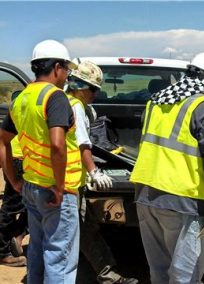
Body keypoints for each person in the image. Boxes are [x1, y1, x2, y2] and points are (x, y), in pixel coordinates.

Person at [130, 52, 204, 283]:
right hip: (181, 199)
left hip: (145, 195)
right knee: (186, 275)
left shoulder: (155, 102)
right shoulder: (203, 107)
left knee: (159, 270)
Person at [0, 39, 82, 283]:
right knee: (60, 257)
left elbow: (3, 141)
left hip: (31, 186)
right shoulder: (55, 97)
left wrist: (13, 180)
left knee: (37, 249)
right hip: (56, 190)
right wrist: (58, 186)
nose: (67, 75)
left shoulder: (22, 98)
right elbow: (57, 144)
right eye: (66, 69)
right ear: (57, 67)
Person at [66, 60, 138, 284]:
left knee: (83, 227)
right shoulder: (75, 106)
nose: (96, 94)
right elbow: (82, 144)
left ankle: (106, 275)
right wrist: (94, 171)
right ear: (80, 86)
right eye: (94, 89)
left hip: (59, 179)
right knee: (79, 229)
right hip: (68, 181)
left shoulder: (66, 101)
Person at [0, 134, 28, 267]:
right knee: (11, 208)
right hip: (19, 157)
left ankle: (18, 235)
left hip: (21, 156)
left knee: (34, 204)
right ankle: (2, 252)